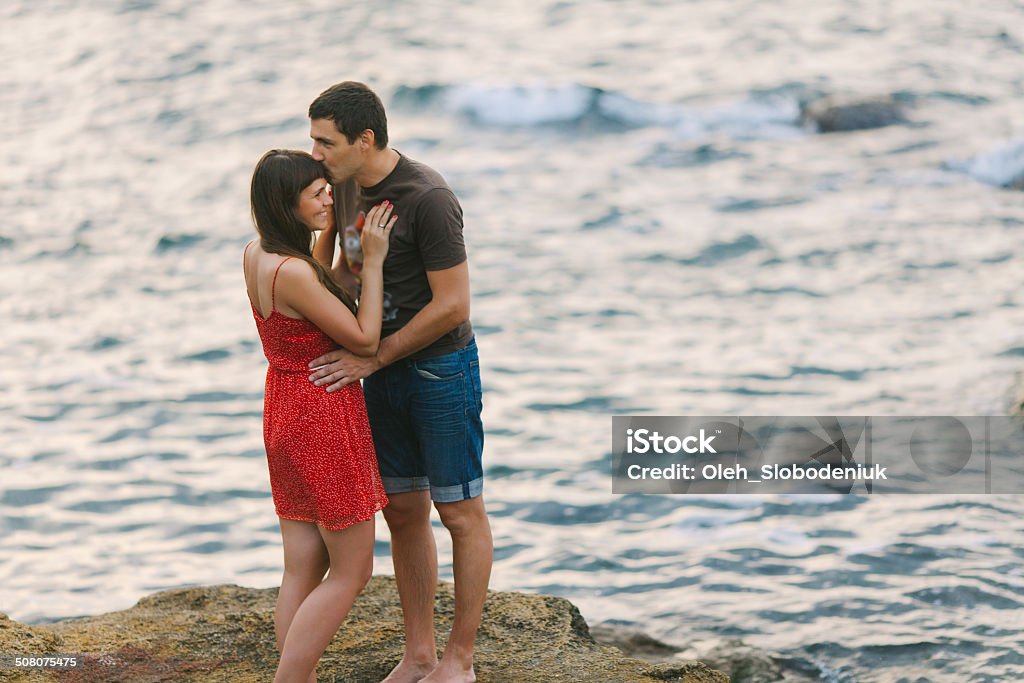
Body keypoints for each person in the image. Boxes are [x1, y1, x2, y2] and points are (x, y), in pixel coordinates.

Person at [306, 82, 492, 683]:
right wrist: (321, 245)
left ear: (365, 140)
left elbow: (454, 305)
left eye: (324, 142)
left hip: (439, 370)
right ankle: (418, 656)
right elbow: (347, 277)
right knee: (404, 512)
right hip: (380, 369)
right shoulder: (345, 185)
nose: (315, 154)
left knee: (459, 513)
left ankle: (458, 662)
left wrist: (375, 358)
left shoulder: (429, 198)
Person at [243, 149, 398, 683]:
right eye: (317, 193)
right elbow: (364, 337)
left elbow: (320, 291)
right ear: (289, 205)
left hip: (284, 407)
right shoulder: (295, 273)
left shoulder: (258, 255)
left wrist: (334, 241)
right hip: (322, 416)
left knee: (302, 565)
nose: (328, 197)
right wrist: (372, 261)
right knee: (352, 571)